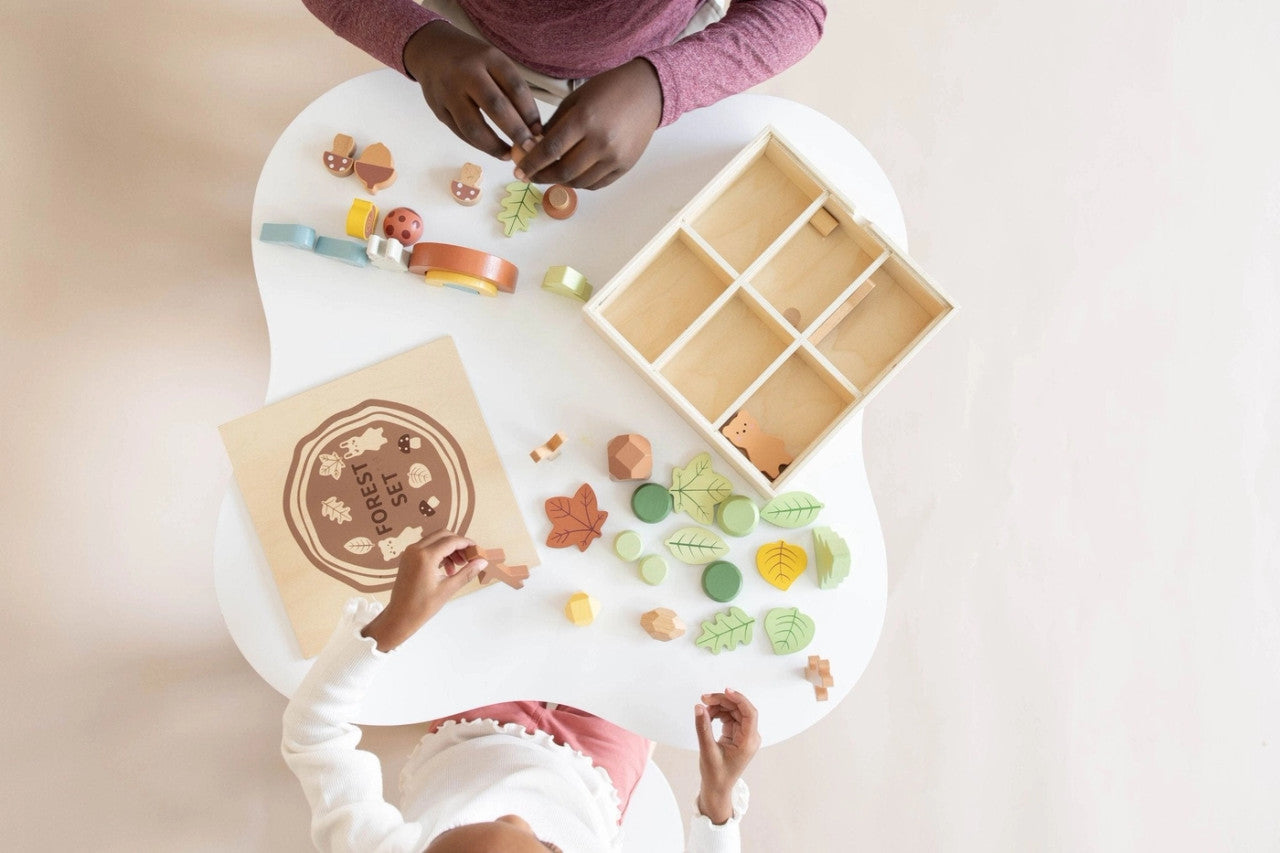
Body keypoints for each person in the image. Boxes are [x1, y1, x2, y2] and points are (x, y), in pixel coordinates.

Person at [283, 529, 762, 852]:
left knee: (518, 592)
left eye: (461, 835)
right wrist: (718, 801)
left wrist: (392, 624)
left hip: (469, 730)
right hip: (595, 772)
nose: (513, 815)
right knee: (633, 622)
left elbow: (313, 733)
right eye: (542, 844)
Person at [301, 0, 827, 189]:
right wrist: (417, 40)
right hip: (462, 32)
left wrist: (664, 85)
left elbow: (795, 10)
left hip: (664, 49)